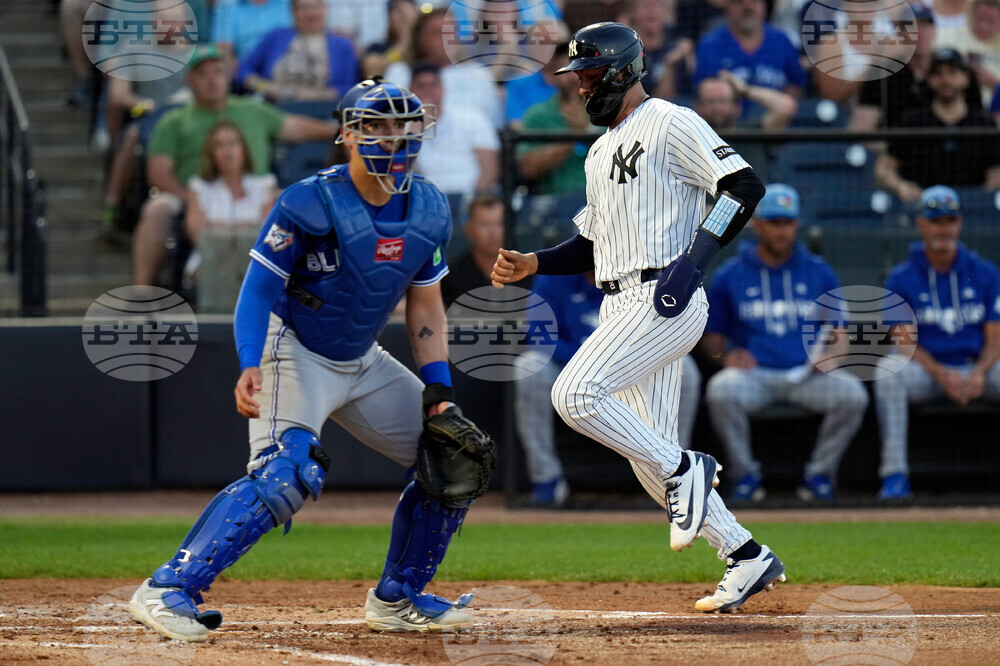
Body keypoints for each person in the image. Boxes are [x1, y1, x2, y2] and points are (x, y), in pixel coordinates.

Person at [128, 77, 487, 640]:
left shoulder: (431, 209)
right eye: (378, 126)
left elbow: (426, 311)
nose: (393, 138)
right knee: (288, 471)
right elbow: (256, 292)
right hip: (292, 348)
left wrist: (439, 394)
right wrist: (250, 362)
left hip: (361, 358)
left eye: (403, 125)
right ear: (348, 134)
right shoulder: (308, 201)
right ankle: (170, 587)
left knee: (454, 457)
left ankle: (399, 597)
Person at [491, 22, 785, 613]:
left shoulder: (671, 120)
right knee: (649, 460)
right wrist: (534, 263)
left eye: (590, 74)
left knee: (574, 394)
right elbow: (589, 245)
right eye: (576, 76)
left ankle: (688, 467)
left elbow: (744, 186)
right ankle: (746, 554)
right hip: (620, 298)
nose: (580, 87)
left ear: (624, 70)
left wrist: (694, 263)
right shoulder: (598, 149)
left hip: (666, 296)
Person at [700, 184, 869, 503]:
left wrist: (831, 358)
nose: (782, 231)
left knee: (853, 395)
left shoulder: (819, 271)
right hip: (755, 375)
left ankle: (819, 474)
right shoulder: (730, 273)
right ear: (758, 225)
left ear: (797, 225)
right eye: (774, 222)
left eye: (787, 223)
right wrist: (725, 357)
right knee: (721, 389)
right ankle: (745, 475)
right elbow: (712, 338)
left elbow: (840, 332)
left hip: (807, 375)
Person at [131, 44, 338, 286]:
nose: (212, 80)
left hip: (257, 193)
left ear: (228, 75)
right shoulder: (174, 120)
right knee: (157, 209)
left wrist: (337, 131)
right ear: (189, 80)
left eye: (218, 72)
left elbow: (294, 127)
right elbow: (158, 172)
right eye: (203, 74)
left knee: (300, 205)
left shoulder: (252, 109)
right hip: (193, 194)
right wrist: (196, 200)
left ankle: (315, 287)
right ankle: (142, 289)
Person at [515, 271, 703, 506]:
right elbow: (539, 335)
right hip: (570, 369)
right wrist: (590, 365)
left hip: (632, 368)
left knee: (687, 369)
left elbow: (667, 332)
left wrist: (620, 365)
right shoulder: (555, 276)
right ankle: (546, 477)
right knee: (529, 368)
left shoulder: (643, 273)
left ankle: (675, 474)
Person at [874, 185, 1000, 500]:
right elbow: (904, 344)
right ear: (921, 224)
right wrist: (942, 374)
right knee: (888, 372)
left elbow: (995, 336)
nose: (943, 228)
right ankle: (895, 476)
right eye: (935, 220)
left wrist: (980, 372)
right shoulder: (901, 277)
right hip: (928, 371)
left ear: (959, 223)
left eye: (949, 220)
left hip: (978, 367)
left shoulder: (984, 271)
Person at [876, 48, 1000, 202]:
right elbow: (884, 168)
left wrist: (980, 197)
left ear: (966, 78)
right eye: (938, 74)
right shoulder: (912, 122)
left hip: (969, 211)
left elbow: (996, 172)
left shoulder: (983, 124)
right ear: (929, 80)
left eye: (952, 73)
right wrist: (901, 186)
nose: (945, 80)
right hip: (921, 209)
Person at [184, 120, 280, 264]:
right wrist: (248, 227)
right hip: (211, 261)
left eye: (233, 144)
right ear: (211, 154)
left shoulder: (264, 185)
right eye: (220, 146)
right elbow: (199, 235)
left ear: (244, 149)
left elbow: (267, 235)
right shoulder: (199, 187)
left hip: (254, 260)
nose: (228, 152)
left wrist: (218, 228)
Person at [693, 0, 806, 116]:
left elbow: (796, 88)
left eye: (754, 1)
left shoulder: (781, 41)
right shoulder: (711, 45)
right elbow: (703, 93)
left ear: (764, 7)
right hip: (728, 123)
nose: (748, 7)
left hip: (773, 122)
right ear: (727, 8)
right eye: (739, 2)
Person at [406, 62, 499, 200]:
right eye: (421, 86)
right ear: (410, 91)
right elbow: (408, 175)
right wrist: (414, 135)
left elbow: (490, 170)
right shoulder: (403, 129)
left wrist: (473, 204)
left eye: (433, 85)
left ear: (443, 88)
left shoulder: (472, 117)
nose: (428, 91)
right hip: (429, 200)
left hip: (470, 198)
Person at [237, 0, 359, 103]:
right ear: (293, 13)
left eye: (316, 7)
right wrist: (266, 87)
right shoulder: (277, 36)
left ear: (325, 9)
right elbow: (243, 70)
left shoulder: (342, 45)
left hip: (322, 109)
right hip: (274, 106)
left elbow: (348, 87)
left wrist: (316, 95)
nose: (311, 14)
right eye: (304, 8)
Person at [518, 42, 599, 195]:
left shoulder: (611, 109)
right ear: (552, 76)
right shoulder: (538, 115)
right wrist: (573, 136)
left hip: (604, 200)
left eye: (580, 69)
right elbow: (527, 168)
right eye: (567, 70)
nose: (574, 77)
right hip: (555, 202)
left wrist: (587, 130)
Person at [440, 194, 523, 306]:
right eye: (484, 225)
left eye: (499, 224)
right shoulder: (452, 276)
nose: (493, 232)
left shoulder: (524, 270)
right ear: (468, 229)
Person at [212, 0, 293, 68]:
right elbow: (223, 49)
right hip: (242, 76)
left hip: (287, 70)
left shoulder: (288, 3)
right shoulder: (227, 5)